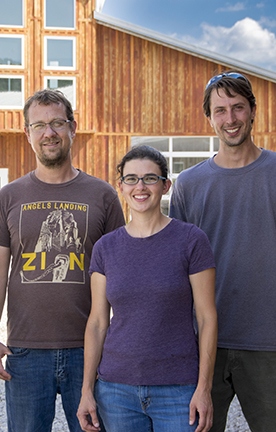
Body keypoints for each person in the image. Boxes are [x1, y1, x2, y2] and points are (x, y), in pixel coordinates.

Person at [170, 72, 276, 432]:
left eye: (238, 108)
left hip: (269, 339)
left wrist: (270, 285)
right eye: (220, 110)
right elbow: (179, 260)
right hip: (204, 342)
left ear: (253, 111)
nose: (230, 119)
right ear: (209, 117)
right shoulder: (189, 184)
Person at [0, 89, 126, 431]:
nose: (49, 133)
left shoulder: (102, 194)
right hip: (26, 351)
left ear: (72, 128)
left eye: (58, 123)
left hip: (89, 347)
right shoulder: (10, 196)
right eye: (40, 125)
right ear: (27, 133)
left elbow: (121, 270)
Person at [77, 145, 218, 432]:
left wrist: (204, 388)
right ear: (121, 186)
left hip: (178, 389)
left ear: (165, 185)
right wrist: (86, 391)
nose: (140, 187)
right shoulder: (106, 247)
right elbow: (97, 322)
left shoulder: (191, 240)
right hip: (116, 390)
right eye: (131, 179)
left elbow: (207, 318)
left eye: (150, 178)